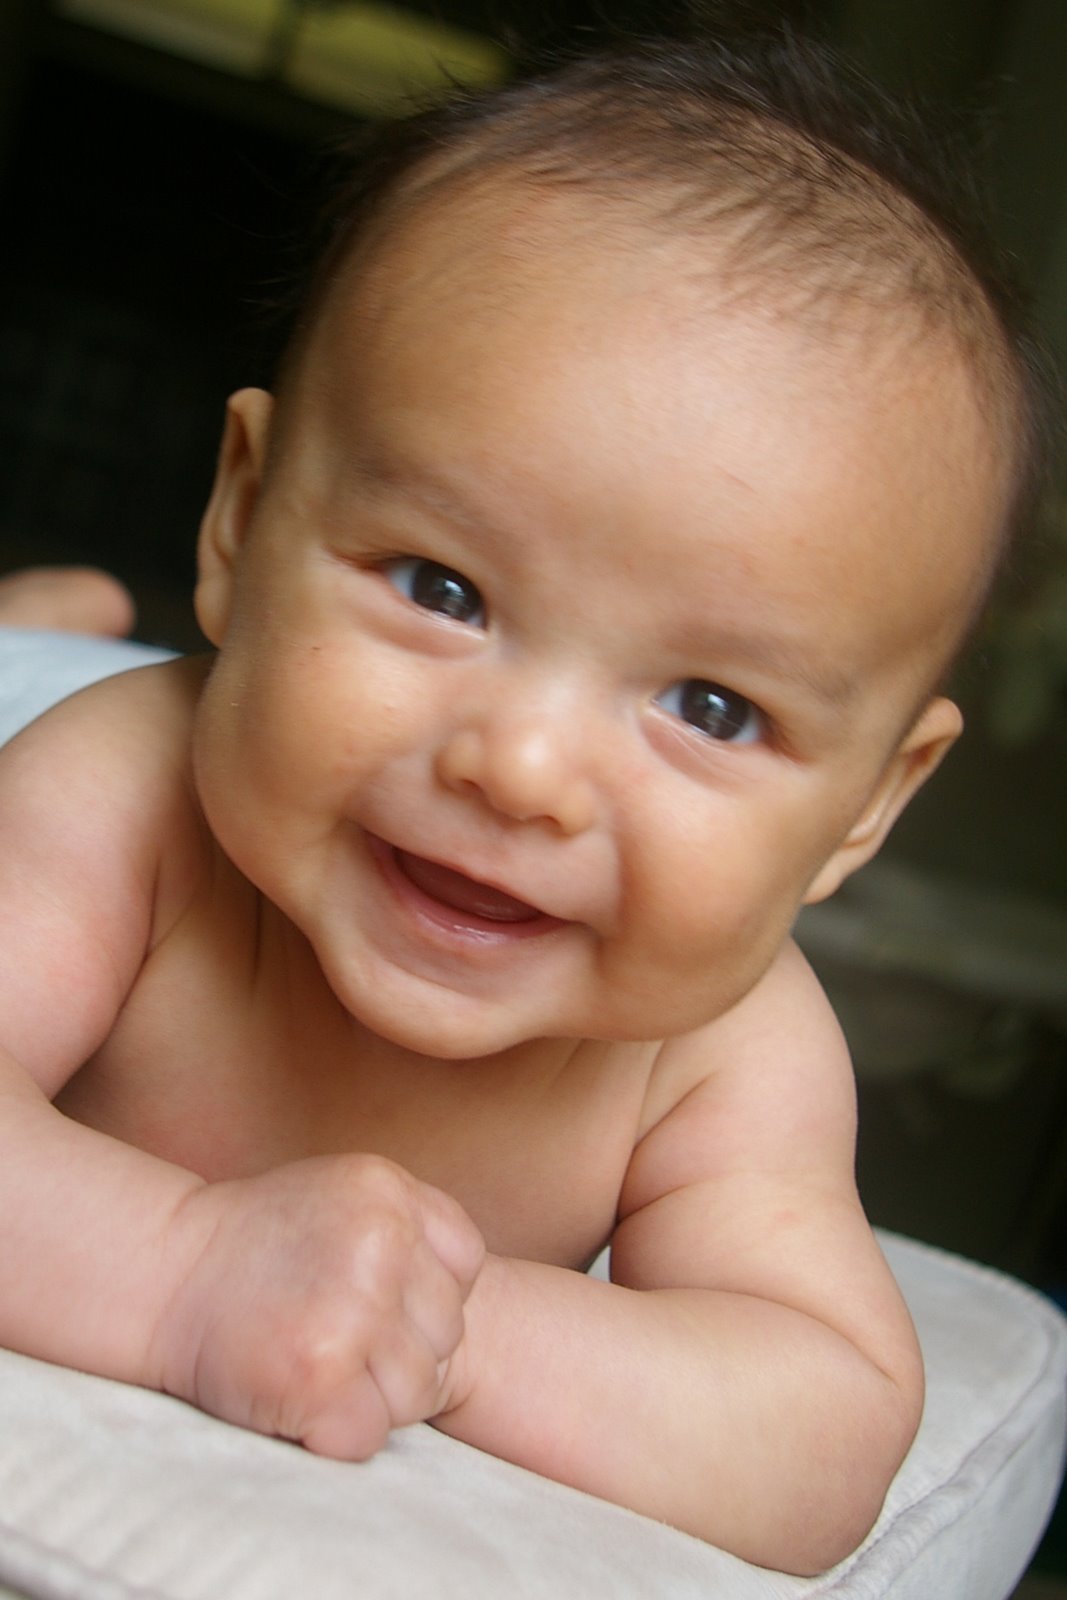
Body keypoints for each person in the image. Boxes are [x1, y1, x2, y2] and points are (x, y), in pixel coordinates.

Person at [0, 30, 1045, 1576]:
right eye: (443, 589)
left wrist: (441, 1322)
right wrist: (185, 1272)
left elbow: (823, 1430)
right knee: (48, 673)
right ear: (241, 518)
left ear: (862, 809)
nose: (524, 770)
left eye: (711, 707)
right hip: (47, 713)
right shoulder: (119, 798)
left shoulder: (720, 1047)